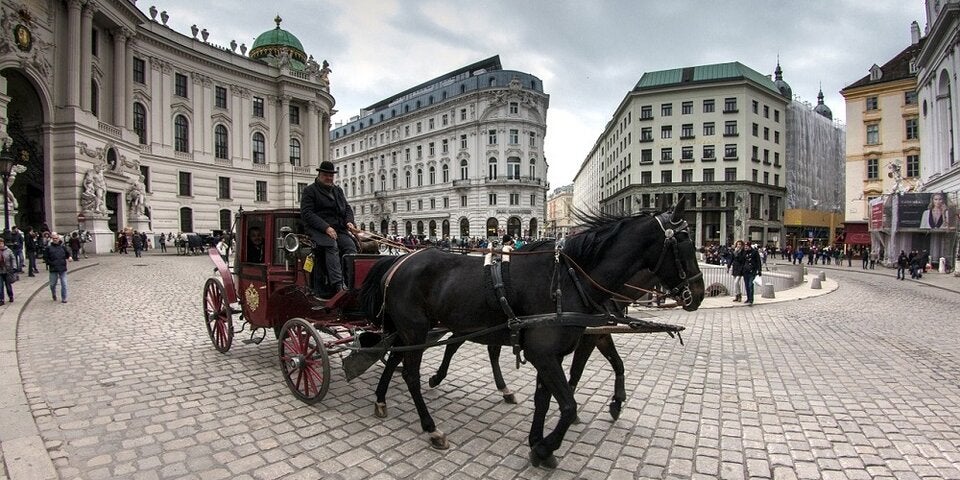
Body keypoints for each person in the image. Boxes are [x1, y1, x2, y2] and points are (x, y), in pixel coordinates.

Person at [301, 160, 359, 296]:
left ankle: (352, 280)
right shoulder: (310, 191)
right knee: (331, 245)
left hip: (338, 229)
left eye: (331, 175)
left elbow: (347, 209)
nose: (329, 178)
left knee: (351, 246)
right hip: (318, 230)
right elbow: (307, 213)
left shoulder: (337, 191)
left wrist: (349, 222)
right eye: (326, 175)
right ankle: (338, 284)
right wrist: (326, 227)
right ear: (320, 174)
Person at [43, 232, 70, 303]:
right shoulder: (48, 248)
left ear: (58, 238)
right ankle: (54, 294)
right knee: (52, 284)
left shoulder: (62, 247)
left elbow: (67, 254)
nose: (55, 240)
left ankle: (64, 298)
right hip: (53, 268)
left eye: (56, 238)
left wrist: (69, 257)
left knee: (64, 284)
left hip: (62, 268)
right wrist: (50, 263)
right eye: (53, 238)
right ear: (52, 239)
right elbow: (45, 258)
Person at [738, 241, 763, 306]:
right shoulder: (744, 252)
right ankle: (748, 298)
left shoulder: (754, 252)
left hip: (752, 271)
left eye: (746, 246)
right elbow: (740, 260)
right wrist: (740, 251)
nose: (745, 247)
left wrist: (759, 270)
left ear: (749, 246)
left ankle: (751, 300)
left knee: (750, 285)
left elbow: (758, 262)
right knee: (746, 286)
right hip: (745, 271)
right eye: (745, 246)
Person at [0, 237, 15, 305]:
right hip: (0, 271)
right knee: (0, 286)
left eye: (1, 243)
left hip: (7, 270)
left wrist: (14, 267)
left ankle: (10, 296)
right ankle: (1, 299)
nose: (0, 245)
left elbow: (13, 258)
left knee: (8, 285)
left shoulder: (8, 250)